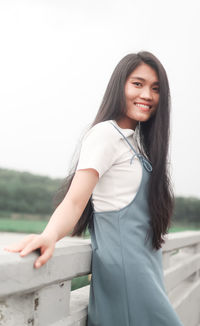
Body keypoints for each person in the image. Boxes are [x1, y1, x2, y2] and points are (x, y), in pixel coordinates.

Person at [5, 51, 184, 326]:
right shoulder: (105, 135)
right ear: (119, 86)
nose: (147, 94)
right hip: (127, 279)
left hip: (147, 273)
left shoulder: (136, 143)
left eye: (156, 88)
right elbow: (76, 202)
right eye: (138, 84)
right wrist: (49, 235)